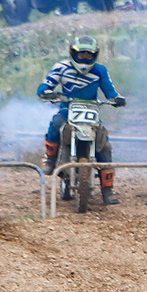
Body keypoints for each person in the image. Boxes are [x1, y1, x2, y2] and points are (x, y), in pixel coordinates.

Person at [37, 32, 124, 203]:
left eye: (89, 55)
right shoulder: (61, 67)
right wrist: (46, 92)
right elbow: (47, 83)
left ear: (95, 56)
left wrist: (116, 99)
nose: (84, 59)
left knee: (104, 145)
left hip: (91, 112)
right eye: (81, 55)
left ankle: (107, 191)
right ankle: (51, 159)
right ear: (73, 54)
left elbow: (109, 90)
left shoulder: (100, 70)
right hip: (67, 110)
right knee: (55, 123)